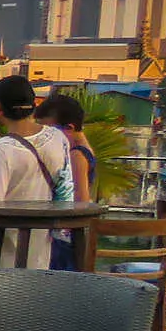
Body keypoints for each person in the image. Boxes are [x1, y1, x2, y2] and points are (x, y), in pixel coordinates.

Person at [0, 75, 72, 269]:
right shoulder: (58, 138)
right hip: (42, 249)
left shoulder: (1, 150)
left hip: (3, 253)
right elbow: (66, 191)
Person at [36, 91, 97, 268]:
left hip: (67, 236)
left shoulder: (77, 155)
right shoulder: (82, 150)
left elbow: (81, 199)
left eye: (50, 131)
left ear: (69, 128)